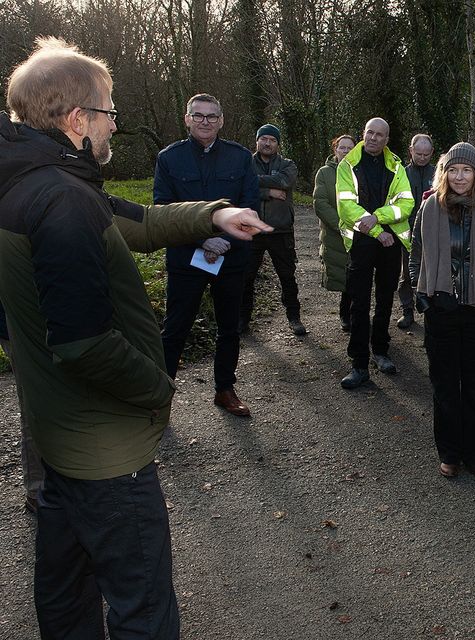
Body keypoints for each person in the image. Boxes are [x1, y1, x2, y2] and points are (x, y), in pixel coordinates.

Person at [0, 37, 270, 638]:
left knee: (67, 598)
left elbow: (137, 220)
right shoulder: (61, 202)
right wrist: (157, 388)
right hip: (106, 455)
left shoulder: (33, 183)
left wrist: (214, 214)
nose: (114, 125)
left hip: (60, 439)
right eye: (109, 111)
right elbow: (84, 343)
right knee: (143, 608)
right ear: (77, 120)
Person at [154, 93, 260, 417]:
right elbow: (163, 209)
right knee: (175, 329)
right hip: (187, 258)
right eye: (198, 116)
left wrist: (226, 240)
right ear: (187, 119)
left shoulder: (241, 158)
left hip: (231, 256)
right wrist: (202, 241)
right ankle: (160, 395)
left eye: (211, 116)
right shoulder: (169, 159)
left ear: (221, 121)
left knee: (229, 327)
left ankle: (225, 390)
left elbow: (250, 205)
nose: (205, 122)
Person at [409, 143, 475, 478]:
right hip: (442, 310)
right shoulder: (428, 209)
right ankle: (449, 453)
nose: (460, 176)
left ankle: (474, 454)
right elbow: (415, 258)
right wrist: (424, 301)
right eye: (453, 170)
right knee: (445, 387)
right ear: (444, 173)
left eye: (466, 170)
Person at [337, 117, 414, 389]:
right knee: (359, 302)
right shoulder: (347, 165)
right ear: (363, 133)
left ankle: (381, 351)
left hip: (390, 242)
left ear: (387, 139)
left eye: (380, 135)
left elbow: (406, 203)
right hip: (362, 240)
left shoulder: (396, 165)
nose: (373, 138)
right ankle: (358, 364)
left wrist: (378, 218)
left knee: (384, 299)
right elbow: (346, 207)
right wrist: (374, 230)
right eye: (370, 132)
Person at [241, 123, 304, 335]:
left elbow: (285, 181)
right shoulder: (244, 162)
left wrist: (255, 183)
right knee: (246, 277)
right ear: (257, 140)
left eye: (272, 140)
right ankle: (243, 320)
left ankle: (294, 318)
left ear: (278, 143)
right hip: (251, 230)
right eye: (264, 139)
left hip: (281, 230)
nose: (267, 143)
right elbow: (240, 187)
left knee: (287, 276)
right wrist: (269, 192)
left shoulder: (288, 163)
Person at [0, 302, 43, 513]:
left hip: (35, 320)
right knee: (34, 409)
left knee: (40, 407)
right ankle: (37, 490)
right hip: (18, 325)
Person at [315, 134, 356, 331]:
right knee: (342, 274)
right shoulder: (324, 173)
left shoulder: (360, 170)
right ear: (335, 150)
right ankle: (344, 314)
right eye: (343, 148)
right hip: (335, 233)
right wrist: (341, 224)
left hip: (359, 231)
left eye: (350, 148)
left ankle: (356, 312)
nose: (346, 151)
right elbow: (320, 203)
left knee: (357, 274)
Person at [398, 133, 436, 329]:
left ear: (432, 153)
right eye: (418, 153)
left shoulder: (439, 174)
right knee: (407, 275)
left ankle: (433, 312)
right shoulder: (401, 174)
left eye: (426, 154)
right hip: (407, 233)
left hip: (433, 234)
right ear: (411, 151)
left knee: (432, 273)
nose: (422, 157)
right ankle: (407, 311)